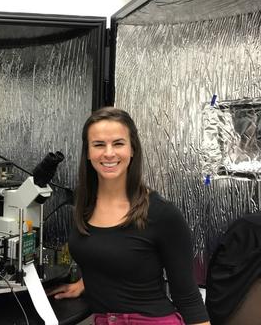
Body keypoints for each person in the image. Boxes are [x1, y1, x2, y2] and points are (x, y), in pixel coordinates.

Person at [48, 107, 210, 325]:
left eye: (118, 143)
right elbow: (107, 251)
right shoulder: (82, 203)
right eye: (98, 145)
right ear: (88, 152)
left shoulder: (162, 214)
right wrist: (85, 283)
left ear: (132, 149)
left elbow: (188, 298)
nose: (108, 153)